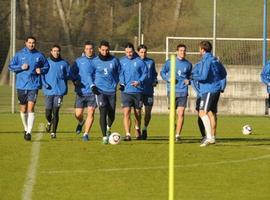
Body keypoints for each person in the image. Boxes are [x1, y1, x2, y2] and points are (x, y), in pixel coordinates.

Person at [9, 36, 49, 141]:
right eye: (29, 42)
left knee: (31, 108)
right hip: (21, 85)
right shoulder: (19, 54)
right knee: (23, 109)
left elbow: (46, 66)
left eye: (33, 43)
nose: (31, 44)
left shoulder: (39, 55)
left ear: (35, 44)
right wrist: (20, 67)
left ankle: (29, 132)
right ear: (25, 43)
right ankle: (26, 128)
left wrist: (41, 70)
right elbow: (10, 66)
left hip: (34, 85)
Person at [191, 40, 227, 147]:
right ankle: (212, 137)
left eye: (199, 49)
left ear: (202, 50)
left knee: (202, 112)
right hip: (214, 89)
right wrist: (218, 82)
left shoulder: (207, 60)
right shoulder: (215, 59)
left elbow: (203, 77)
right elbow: (224, 73)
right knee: (210, 113)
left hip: (209, 90)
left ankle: (209, 137)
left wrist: (193, 77)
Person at [160, 44, 192, 142]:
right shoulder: (170, 62)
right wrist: (168, 79)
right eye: (181, 50)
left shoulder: (188, 64)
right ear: (177, 51)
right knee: (172, 115)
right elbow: (162, 72)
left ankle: (177, 135)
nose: (183, 52)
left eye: (184, 50)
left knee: (181, 113)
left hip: (183, 91)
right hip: (172, 91)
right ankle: (173, 127)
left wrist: (189, 81)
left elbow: (191, 76)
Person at [91, 40, 121, 144]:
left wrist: (121, 83)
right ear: (99, 49)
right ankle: (104, 137)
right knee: (103, 112)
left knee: (111, 114)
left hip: (112, 91)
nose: (105, 52)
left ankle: (108, 127)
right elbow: (89, 75)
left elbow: (120, 72)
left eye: (107, 50)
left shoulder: (114, 60)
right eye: (103, 50)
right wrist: (92, 85)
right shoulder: (94, 61)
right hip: (100, 91)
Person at [119, 43, 148, 141]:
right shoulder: (122, 61)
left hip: (137, 92)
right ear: (125, 52)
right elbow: (120, 74)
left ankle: (137, 128)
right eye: (127, 52)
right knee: (126, 112)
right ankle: (127, 134)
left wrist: (139, 82)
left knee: (137, 113)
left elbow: (145, 73)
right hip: (126, 92)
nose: (129, 54)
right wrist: (122, 83)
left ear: (133, 51)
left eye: (130, 52)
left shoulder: (139, 61)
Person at [42, 44, 70, 139]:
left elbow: (69, 74)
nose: (56, 52)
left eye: (58, 51)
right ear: (51, 51)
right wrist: (44, 83)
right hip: (48, 91)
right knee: (48, 113)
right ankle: (49, 122)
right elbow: (41, 74)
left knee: (56, 111)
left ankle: (53, 132)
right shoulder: (46, 62)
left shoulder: (64, 63)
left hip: (59, 91)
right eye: (54, 50)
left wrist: (66, 76)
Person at [71, 41, 97, 141]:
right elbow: (72, 73)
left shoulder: (97, 60)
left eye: (91, 48)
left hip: (93, 92)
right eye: (87, 49)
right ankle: (81, 122)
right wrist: (75, 80)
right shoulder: (79, 61)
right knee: (78, 114)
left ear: (93, 49)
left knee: (91, 113)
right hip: (81, 91)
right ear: (84, 49)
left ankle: (86, 134)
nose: (89, 50)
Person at [134, 44, 158, 140]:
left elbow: (154, 74)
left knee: (148, 112)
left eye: (145, 52)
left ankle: (144, 128)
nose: (143, 54)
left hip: (149, 91)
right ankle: (137, 129)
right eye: (141, 52)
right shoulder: (135, 62)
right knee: (138, 112)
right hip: (138, 91)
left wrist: (155, 81)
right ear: (138, 52)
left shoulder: (151, 62)